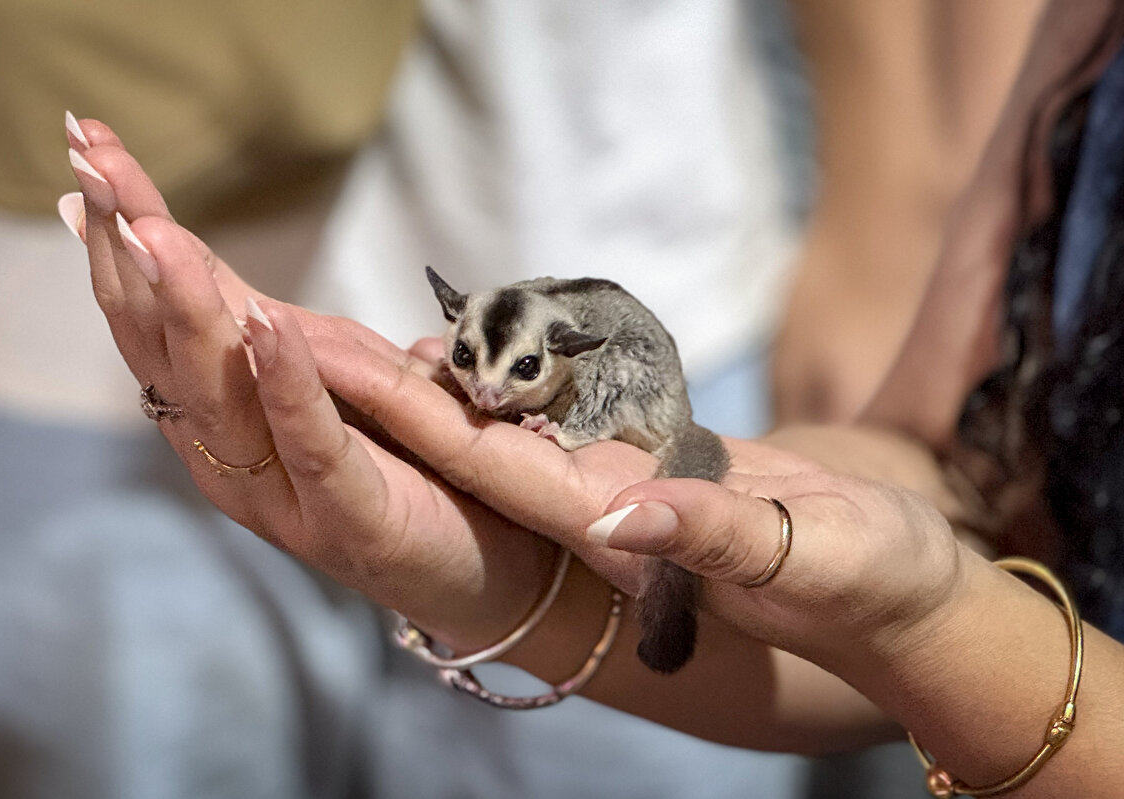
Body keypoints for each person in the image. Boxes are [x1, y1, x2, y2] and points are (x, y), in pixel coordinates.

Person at [68, 0, 1124, 795]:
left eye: (510, 377)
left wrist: (942, 622)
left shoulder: (602, 358)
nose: (481, 394)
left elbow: (947, 584)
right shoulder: (1085, 46)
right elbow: (963, 473)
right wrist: (493, 582)